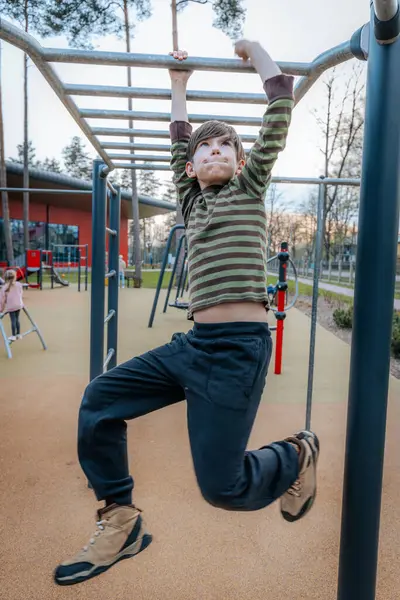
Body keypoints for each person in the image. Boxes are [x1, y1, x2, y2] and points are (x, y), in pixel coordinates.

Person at [54, 40, 319, 587]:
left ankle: (294, 455)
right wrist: (178, 85)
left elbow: (277, 117)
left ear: (241, 162)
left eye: (226, 147)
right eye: (207, 149)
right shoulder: (190, 199)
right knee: (99, 401)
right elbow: (177, 141)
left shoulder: (248, 188)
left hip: (238, 350)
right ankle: (121, 517)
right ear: (193, 166)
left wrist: (262, 59)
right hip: (193, 347)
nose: (215, 153)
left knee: (223, 487)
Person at [0, 269, 24, 342]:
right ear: (15, 277)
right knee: (17, 319)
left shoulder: (4, 288)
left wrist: (1, 310)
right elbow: (20, 294)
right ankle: (18, 334)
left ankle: (13, 335)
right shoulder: (19, 284)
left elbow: (2, 300)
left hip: (11, 306)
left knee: (13, 320)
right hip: (19, 305)